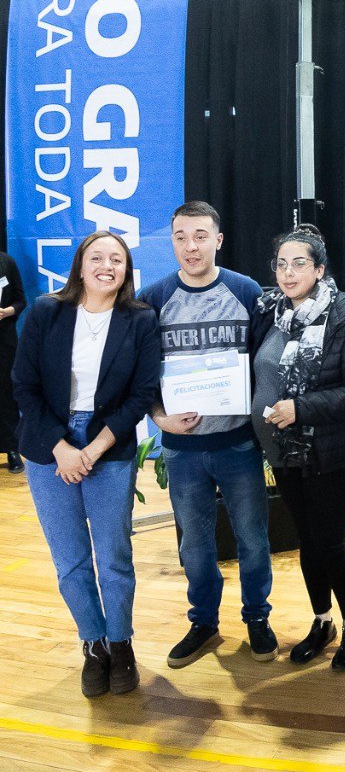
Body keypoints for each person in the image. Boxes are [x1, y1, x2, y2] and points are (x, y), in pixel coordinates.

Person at [13, 231, 161, 696]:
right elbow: (24, 387)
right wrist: (61, 448)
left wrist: (92, 450)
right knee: (70, 561)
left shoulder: (139, 321)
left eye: (116, 259)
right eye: (96, 257)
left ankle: (122, 646)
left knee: (114, 557)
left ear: (126, 271)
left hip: (108, 447)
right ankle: (93, 644)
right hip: (47, 448)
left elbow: (140, 395)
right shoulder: (45, 312)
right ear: (80, 266)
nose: (106, 265)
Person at [138, 201, 277, 668]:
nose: (191, 246)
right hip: (182, 450)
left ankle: (257, 618)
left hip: (237, 444)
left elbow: (266, 366)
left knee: (254, 540)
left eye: (200, 236)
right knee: (194, 545)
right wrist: (159, 419)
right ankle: (203, 622)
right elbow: (141, 376)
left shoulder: (246, 291)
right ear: (172, 241)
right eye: (181, 236)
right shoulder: (153, 297)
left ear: (218, 240)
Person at [250, 224, 345, 670]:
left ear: (320, 269)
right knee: (308, 541)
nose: (287, 273)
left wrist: (300, 409)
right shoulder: (270, 310)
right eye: (281, 264)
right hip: (283, 451)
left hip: (333, 451)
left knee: (329, 542)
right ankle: (321, 621)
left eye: (299, 263)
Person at [0, 249, 27, 472]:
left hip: (4, 342)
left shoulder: (6, 262)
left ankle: (11, 449)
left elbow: (20, 301)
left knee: (6, 395)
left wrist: (6, 311)